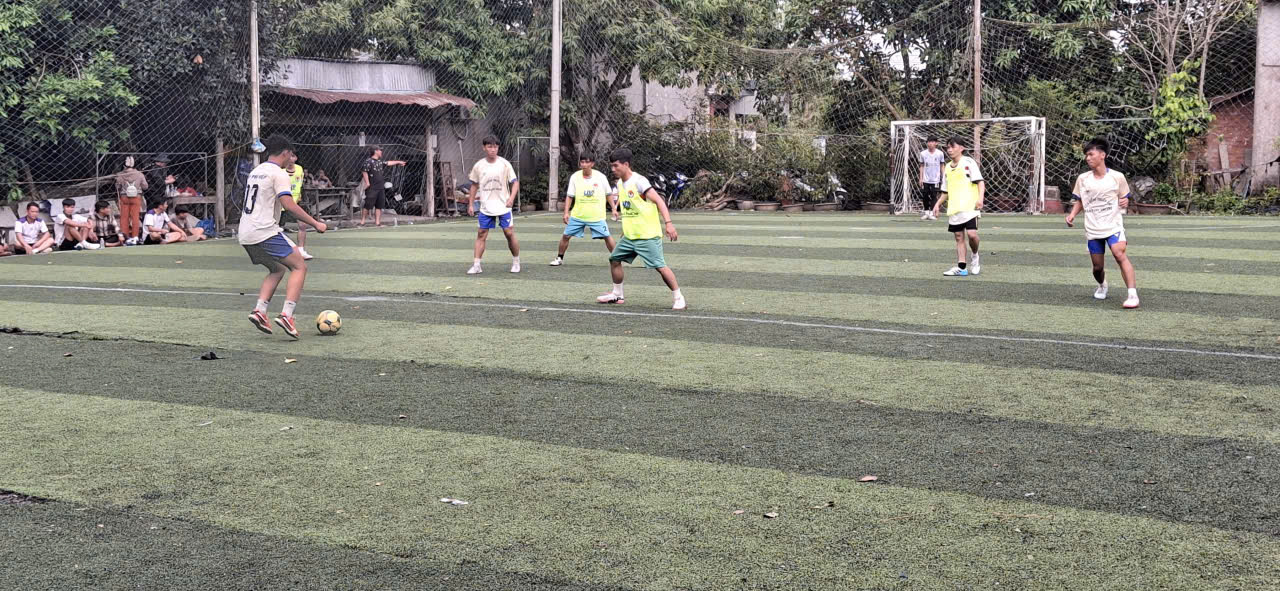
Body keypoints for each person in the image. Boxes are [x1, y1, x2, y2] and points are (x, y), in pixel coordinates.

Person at [239, 134, 328, 339]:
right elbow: (288, 204)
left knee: (277, 269)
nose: (292, 158)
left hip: (245, 233)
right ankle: (287, 315)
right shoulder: (279, 174)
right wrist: (315, 223)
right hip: (264, 231)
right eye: (291, 154)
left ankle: (260, 310)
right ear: (286, 153)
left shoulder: (256, 171)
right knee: (299, 266)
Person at [595, 148, 686, 310]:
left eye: (616, 166)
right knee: (614, 259)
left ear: (626, 164)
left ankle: (678, 297)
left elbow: (659, 201)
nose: (613, 169)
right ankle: (617, 294)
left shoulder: (639, 182)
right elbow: (629, 208)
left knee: (660, 266)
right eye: (611, 166)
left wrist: (669, 223)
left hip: (647, 235)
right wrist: (625, 230)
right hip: (630, 236)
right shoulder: (620, 183)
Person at [1066, 137, 1140, 309]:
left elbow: (1124, 198)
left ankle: (1132, 295)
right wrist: (1072, 215)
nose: (1087, 158)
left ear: (1102, 155)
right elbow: (1081, 200)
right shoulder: (1083, 179)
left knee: (1119, 254)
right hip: (1093, 229)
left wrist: (1125, 202)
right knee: (1097, 268)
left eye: (1091, 154)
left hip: (1113, 225)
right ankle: (1102, 285)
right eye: (1086, 155)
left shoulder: (1117, 177)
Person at [550, 152, 619, 266]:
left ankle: (617, 258)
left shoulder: (601, 177)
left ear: (592, 164)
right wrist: (566, 212)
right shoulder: (575, 177)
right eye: (582, 162)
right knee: (566, 236)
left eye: (587, 162)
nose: (584, 164)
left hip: (596, 216)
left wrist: (614, 209)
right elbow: (570, 196)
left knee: (607, 236)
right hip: (578, 215)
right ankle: (559, 258)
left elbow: (608, 194)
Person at [465, 135, 521, 274]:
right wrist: (471, 204)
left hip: (503, 206)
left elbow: (515, 183)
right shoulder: (479, 165)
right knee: (481, 234)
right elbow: (474, 185)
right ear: (484, 148)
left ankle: (516, 262)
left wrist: (511, 198)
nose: (493, 149)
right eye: (490, 146)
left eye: (495, 147)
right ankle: (477, 265)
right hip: (486, 207)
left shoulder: (505, 164)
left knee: (509, 233)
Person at [931, 137, 985, 276]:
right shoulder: (948, 167)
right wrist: (937, 204)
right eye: (948, 147)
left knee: (972, 235)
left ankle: (975, 255)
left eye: (952, 147)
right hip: (954, 208)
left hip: (970, 207)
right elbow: (945, 191)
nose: (949, 150)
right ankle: (962, 268)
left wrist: (980, 199)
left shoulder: (968, 162)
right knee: (959, 237)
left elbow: (980, 182)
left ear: (961, 148)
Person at [359, 146, 406, 227]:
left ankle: (377, 223)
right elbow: (364, 171)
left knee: (379, 206)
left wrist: (399, 162)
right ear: (375, 151)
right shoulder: (368, 161)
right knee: (368, 204)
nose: (381, 152)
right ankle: (362, 222)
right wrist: (367, 183)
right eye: (380, 150)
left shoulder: (380, 162)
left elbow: (388, 163)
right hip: (372, 187)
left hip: (380, 187)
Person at [282, 152, 312, 259]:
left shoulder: (299, 169)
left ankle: (301, 250)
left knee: (302, 225)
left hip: (295, 203)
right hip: (281, 203)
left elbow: (299, 184)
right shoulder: (280, 171)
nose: (290, 158)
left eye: (292, 156)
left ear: (295, 158)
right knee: (277, 228)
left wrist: (299, 196)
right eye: (288, 156)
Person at [115, 156, 148, 245]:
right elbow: (145, 186)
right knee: (135, 217)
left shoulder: (120, 175)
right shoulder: (140, 174)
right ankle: (135, 237)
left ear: (124, 165)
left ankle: (125, 237)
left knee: (124, 217)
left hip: (124, 197)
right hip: (136, 197)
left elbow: (118, 187)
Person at [918, 136, 944, 220]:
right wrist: (921, 178)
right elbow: (922, 166)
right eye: (928, 142)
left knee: (934, 196)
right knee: (925, 196)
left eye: (932, 141)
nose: (930, 143)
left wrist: (943, 177)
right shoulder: (923, 153)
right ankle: (926, 212)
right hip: (925, 179)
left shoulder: (940, 153)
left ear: (936, 143)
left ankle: (932, 213)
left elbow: (942, 165)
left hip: (936, 179)